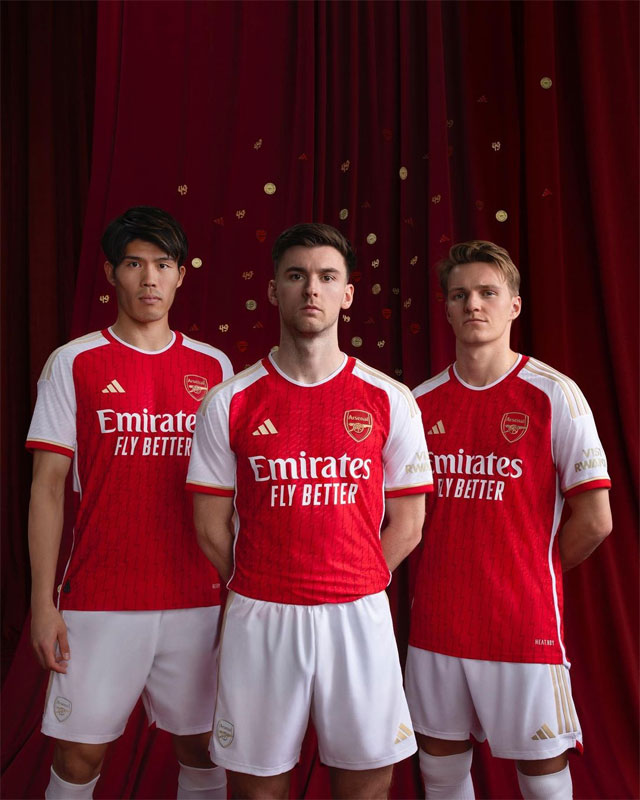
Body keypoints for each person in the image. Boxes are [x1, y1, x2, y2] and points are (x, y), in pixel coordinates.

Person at [186, 222, 432, 800]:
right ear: (274, 290)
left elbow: (410, 523)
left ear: (347, 294)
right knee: (256, 789)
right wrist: (261, 581)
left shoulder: (390, 398)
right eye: (296, 276)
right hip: (261, 614)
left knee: (367, 785)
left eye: (326, 277)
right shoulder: (229, 400)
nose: (311, 289)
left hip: (358, 613)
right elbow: (208, 525)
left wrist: (355, 577)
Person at [26, 206, 233, 800]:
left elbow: (231, 492)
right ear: (111, 274)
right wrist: (43, 603)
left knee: (204, 747)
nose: (149, 279)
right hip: (100, 595)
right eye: (134, 264)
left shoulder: (214, 367)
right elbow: (47, 487)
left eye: (163, 265)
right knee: (79, 754)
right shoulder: (74, 361)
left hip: (197, 596)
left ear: (181, 275)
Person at [405, 240, 612, 800]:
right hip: (437, 624)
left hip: (521, 625)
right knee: (440, 772)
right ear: (447, 309)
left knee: (542, 778)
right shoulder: (418, 403)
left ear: (514, 306)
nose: (473, 304)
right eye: (459, 295)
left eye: (487, 292)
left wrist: (530, 567)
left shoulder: (554, 394)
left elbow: (596, 519)